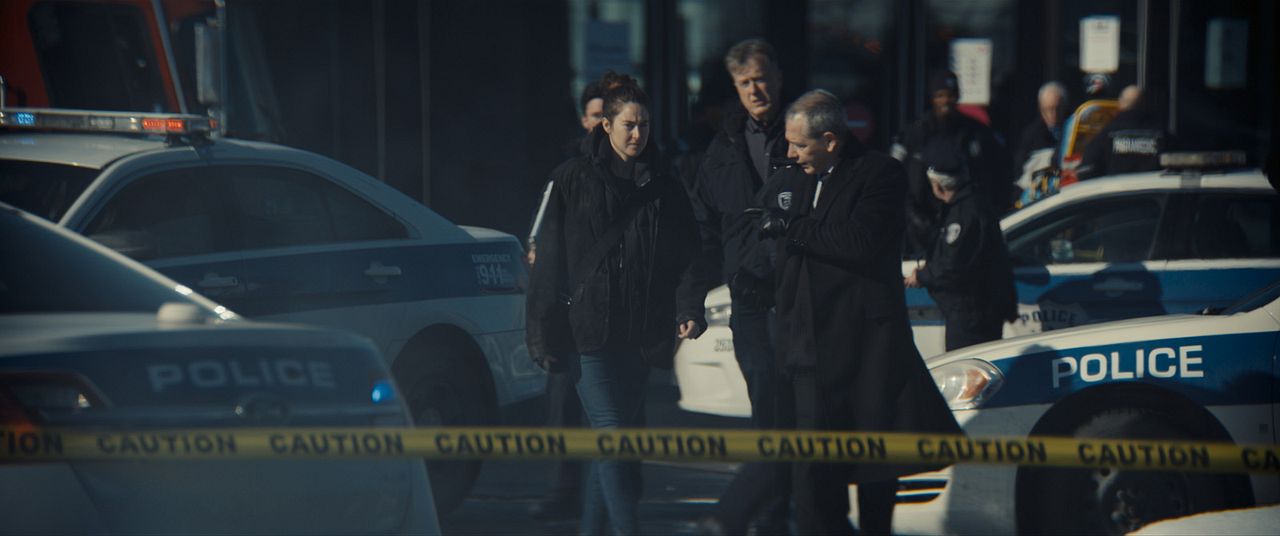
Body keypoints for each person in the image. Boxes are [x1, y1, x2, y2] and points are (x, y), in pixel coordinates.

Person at [757, 90, 962, 535]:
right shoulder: (795, 177)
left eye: (799, 144)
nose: (790, 153)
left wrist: (795, 227)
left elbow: (861, 242)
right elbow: (767, 229)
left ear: (830, 140)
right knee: (811, 474)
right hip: (805, 343)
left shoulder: (880, 173)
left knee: (875, 469)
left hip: (865, 348)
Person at [526, 72, 708, 536]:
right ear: (605, 126)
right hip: (587, 331)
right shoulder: (571, 180)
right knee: (612, 438)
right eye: (628, 124)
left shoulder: (663, 184)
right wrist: (543, 333)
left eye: (644, 125)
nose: (638, 134)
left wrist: (689, 308)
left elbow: (687, 251)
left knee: (617, 448)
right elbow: (548, 264)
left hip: (641, 331)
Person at [689, 38, 790, 535]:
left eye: (763, 78)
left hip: (800, 295)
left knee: (797, 413)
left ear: (779, 78)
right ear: (735, 86)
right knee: (766, 407)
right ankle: (768, 515)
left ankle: (755, 515)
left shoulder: (805, 132)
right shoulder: (722, 147)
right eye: (746, 82)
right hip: (749, 297)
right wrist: (690, 299)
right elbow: (703, 231)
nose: (757, 89)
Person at [524, 77, 608, 521]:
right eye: (595, 116)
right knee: (565, 402)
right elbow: (537, 240)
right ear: (584, 119)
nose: (600, 125)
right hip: (570, 309)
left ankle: (606, 498)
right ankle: (564, 488)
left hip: (613, 312)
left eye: (606, 117)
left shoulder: (637, 171)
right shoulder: (565, 175)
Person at [904, 145, 1018, 351]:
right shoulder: (972, 204)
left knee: (967, 374)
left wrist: (922, 276)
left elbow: (953, 264)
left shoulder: (964, 214)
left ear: (937, 184)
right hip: (976, 311)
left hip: (971, 315)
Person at [893, 70, 1008, 256]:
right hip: (920, 232)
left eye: (951, 95)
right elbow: (897, 181)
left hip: (966, 224)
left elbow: (996, 175)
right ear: (932, 97)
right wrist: (915, 221)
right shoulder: (914, 134)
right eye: (940, 95)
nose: (946, 101)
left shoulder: (975, 132)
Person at [1077, 86, 1170, 180]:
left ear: (1121, 104)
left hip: (1115, 192)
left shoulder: (1106, 134)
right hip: (1152, 191)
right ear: (1146, 104)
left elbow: (1086, 171)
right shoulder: (1162, 135)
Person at [1012, 82, 1067, 189]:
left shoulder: (1070, 128)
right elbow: (1019, 170)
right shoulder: (1031, 135)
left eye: (1058, 109)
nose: (1053, 115)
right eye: (1048, 110)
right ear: (1040, 109)